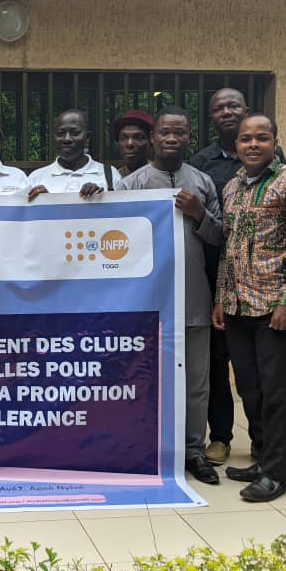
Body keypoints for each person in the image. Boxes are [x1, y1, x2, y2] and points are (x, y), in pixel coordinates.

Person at [211, 114, 286, 502]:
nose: (253, 144)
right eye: (246, 139)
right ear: (236, 145)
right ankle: (261, 457)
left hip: (276, 307)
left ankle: (276, 473)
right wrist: (222, 298)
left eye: (262, 137)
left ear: (275, 141)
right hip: (238, 307)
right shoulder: (232, 187)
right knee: (249, 388)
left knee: (276, 393)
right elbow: (228, 247)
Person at [111, 106, 224, 485]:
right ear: (153, 138)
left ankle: (194, 451)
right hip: (144, 301)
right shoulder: (131, 185)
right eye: (165, 133)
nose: (172, 139)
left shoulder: (203, 182)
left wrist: (199, 213)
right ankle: (144, 447)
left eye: (180, 133)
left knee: (197, 381)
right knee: (141, 376)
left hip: (193, 297)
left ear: (190, 137)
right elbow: (114, 239)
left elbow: (220, 237)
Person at [189, 88, 286, 467]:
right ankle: (221, 437)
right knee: (220, 366)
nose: (227, 111)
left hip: (266, 287)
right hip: (219, 279)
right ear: (211, 116)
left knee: (262, 375)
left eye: (234, 105)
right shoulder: (203, 165)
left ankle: (266, 450)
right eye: (219, 107)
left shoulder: (281, 168)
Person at [27, 109, 120, 201]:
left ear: (87, 137)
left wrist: (99, 199)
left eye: (75, 133)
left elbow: (120, 209)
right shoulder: (36, 178)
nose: (67, 139)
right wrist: (44, 200)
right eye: (60, 133)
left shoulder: (110, 175)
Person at [111, 109, 153, 177]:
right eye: (123, 138)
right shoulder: (113, 178)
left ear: (151, 140)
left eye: (138, 137)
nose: (129, 143)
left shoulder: (164, 177)